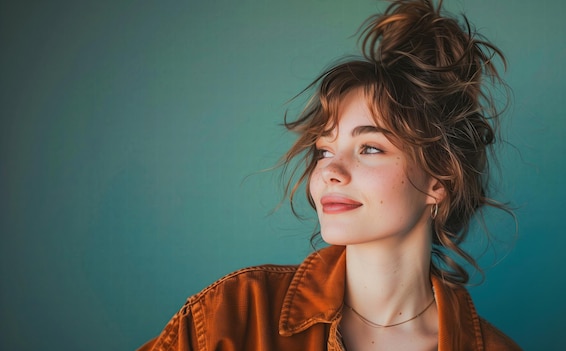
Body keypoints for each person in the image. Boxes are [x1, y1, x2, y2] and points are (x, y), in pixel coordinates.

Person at [139, 0, 521, 350]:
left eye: (370, 148)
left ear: (439, 180)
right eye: (324, 151)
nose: (330, 172)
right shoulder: (235, 315)